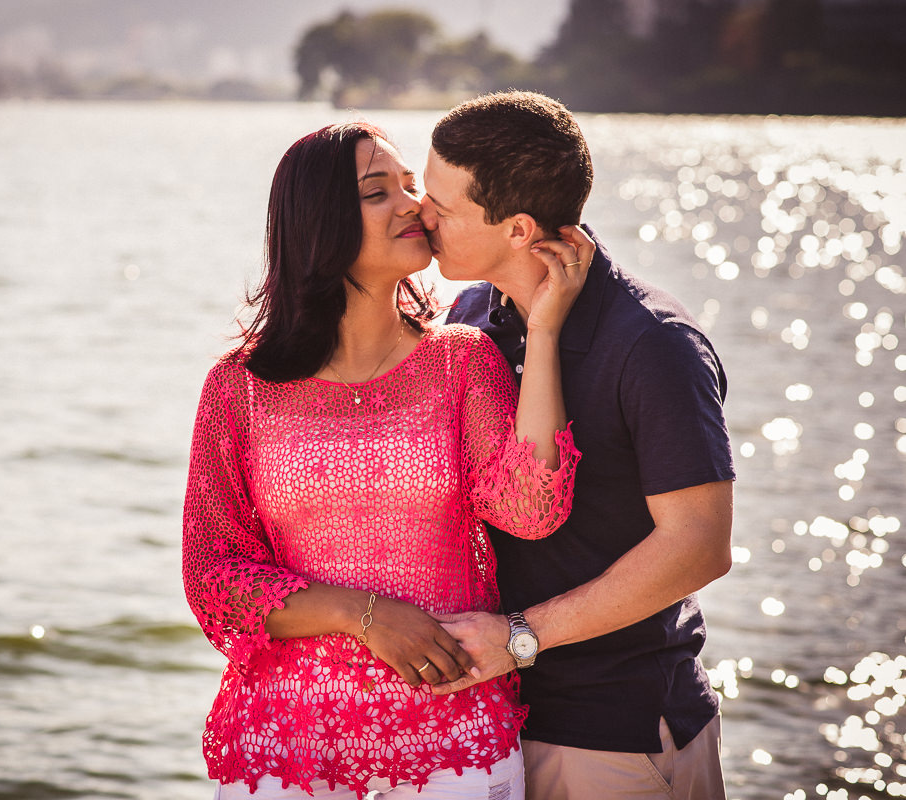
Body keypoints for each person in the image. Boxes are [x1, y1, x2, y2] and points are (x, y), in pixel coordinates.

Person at [182, 121, 592, 798]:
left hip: (451, 739)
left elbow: (532, 510)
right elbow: (214, 579)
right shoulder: (241, 387)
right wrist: (362, 613)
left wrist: (543, 329)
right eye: (379, 191)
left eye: (410, 186)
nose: (412, 204)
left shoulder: (462, 361)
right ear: (318, 224)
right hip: (291, 747)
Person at [419, 91, 735, 799]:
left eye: (442, 205)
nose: (420, 213)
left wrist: (520, 637)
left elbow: (699, 545)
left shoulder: (654, 345)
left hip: (613, 733)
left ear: (517, 228)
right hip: (489, 723)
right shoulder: (471, 317)